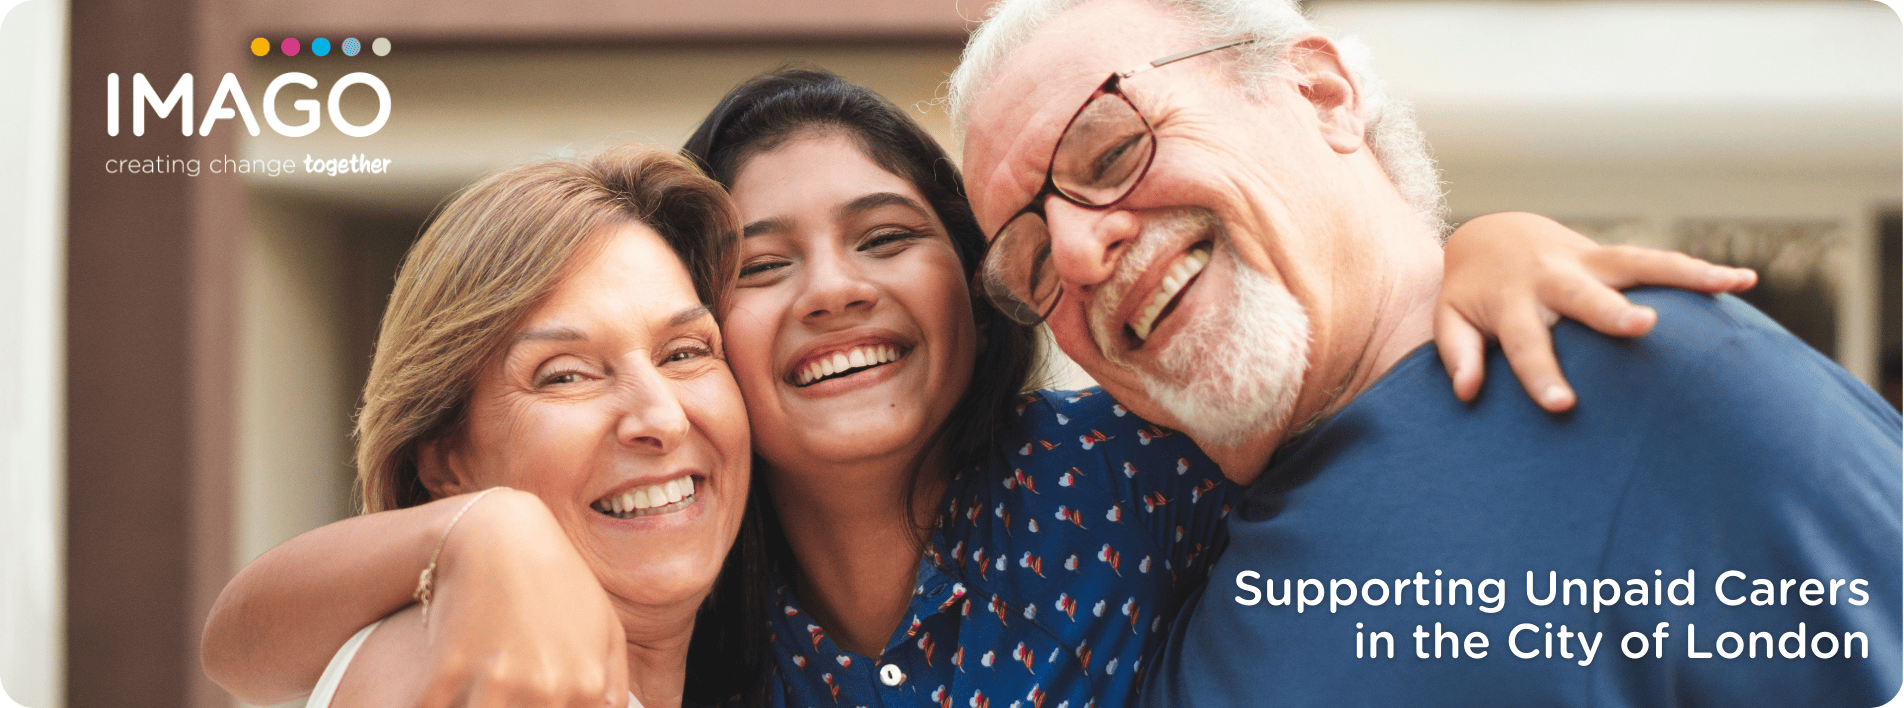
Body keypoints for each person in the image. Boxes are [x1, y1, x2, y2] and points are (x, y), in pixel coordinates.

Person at [202, 69, 1756, 708]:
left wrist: (1474, 246)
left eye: (890, 237)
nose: (834, 292)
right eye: (757, 268)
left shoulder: (1137, 467)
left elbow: (1341, 373)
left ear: (983, 284)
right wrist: (480, 538)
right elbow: (250, 646)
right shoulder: (653, 577)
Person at [948, 0, 1903, 705]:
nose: (1077, 253)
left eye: (1112, 152)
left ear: (1320, 94)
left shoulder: (1661, 377)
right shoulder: (1139, 538)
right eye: (1030, 262)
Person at [206, 145, 761, 708]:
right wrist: (478, 525)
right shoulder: (460, 667)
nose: (663, 418)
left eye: (685, 353)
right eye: (565, 377)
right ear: (447, 460)